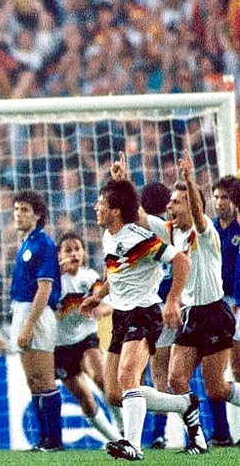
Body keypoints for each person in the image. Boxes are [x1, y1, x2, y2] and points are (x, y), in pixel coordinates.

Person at [81, 174, 197, 462]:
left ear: (115, 211)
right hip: (121, 315)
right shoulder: (109, 236)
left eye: (100, 204)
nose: (96, 208)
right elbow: (116, 271)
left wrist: (172, 300)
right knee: (114, 394)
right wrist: (99, 295)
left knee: (127, 377)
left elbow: (182, 261)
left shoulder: (139, 238)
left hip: (144, 313)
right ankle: (184, 404)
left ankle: (133, 444)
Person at [165, 155, 240, 452]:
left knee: (217, 389)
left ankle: (220, 433)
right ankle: (197, 438)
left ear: (191, 203)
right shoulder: (171, 231)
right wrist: (122, 183)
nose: (170, 206)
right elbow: (142, 220)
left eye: (177, 201)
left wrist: (190, 179)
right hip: (191, 314)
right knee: (176, 379)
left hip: (215, 312)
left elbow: (198, 215)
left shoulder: (204, 229)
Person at [55, 233, 122, 444]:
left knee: (102, 379)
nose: (74, 254)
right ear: (59, 255)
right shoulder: (53, 282)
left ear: (84, 252)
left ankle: (123, 427)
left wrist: (101, 309)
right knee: (85, 399)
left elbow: (109, 303)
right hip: (59, 347)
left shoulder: (89, 277)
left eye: (77, 249)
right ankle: (116, 440)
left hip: (86, 339)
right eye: (68, 250)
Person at [9, 189, 63, 452]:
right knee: (33, 380)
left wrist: (28, 325)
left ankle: (55, 439)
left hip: (37, 314)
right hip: (22, 310)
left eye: (24, 210)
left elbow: (45, 288)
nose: (18, 214)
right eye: (16, 209)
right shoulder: (27, 242)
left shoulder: (43, 243)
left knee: (44, 378)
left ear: (38, 215)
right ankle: (44, 438)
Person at [138, 181, 173, 450]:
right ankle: (160, 432)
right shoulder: (172, 228)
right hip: (174, 302)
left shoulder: (142, 228)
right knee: (165, 373)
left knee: (145, 373)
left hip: (150, 305)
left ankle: (152, 432)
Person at [208, 175, 240, 446]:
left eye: (225, 197)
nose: (219, 202)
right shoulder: (209, 229)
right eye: (216, 197)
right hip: (215, 305)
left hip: (236, 303)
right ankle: (221, 432)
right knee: (213, 370)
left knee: (238, 368)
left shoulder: (238, 228)